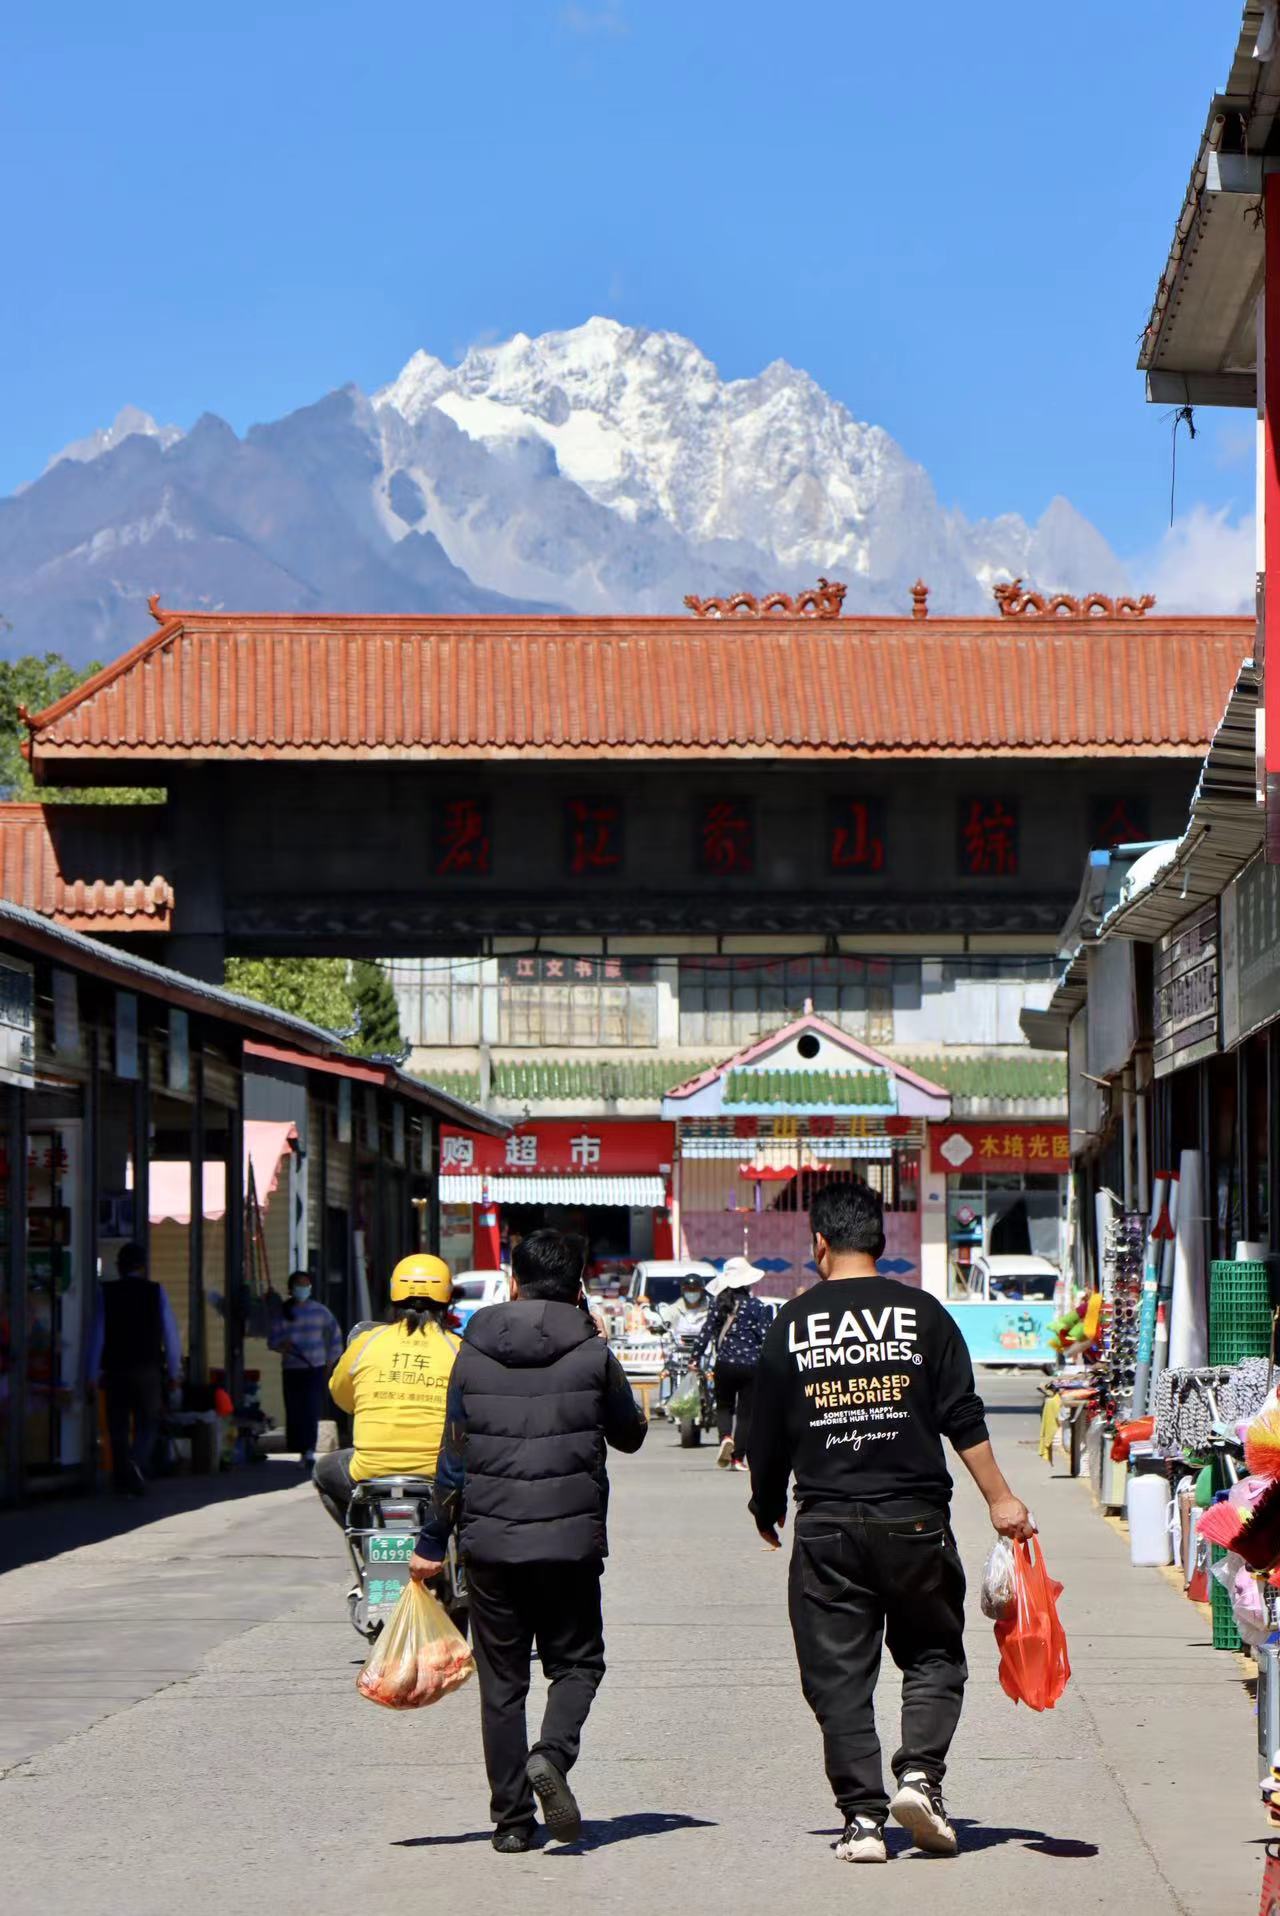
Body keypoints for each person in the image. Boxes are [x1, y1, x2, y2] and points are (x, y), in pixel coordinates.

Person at [748, 1180, 1034, 1867]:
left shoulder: (794, 1321)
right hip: (915, 1520)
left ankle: (863, 1822)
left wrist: (766, 1505)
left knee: (839, 1677)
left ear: (819, 1243)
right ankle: (920, 1779)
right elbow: (962, 1415)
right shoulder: (924, 1316)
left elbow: (765, 1431)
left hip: (827, 1525)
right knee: (933, 1652)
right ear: (882, 1241)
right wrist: (1002, 1499)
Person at [409, 1227, 647, 1854]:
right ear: (579, 1290)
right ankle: (553, 1755)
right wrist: (599, 1350)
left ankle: (512, 1821)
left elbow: (453, 1457)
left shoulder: (472, 1350)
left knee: (503, 1682)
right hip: (569, 1544)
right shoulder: (593, 1352)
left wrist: (433, 1539)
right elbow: (631, 1435)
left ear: (513, 1283)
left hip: (489, 1543)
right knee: (577, 1663)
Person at [315, 1254, 460, 1526]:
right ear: (447, 1297)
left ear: (394, 1293)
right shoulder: (458, 1349)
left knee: (323, 1471)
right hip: (438, 1475)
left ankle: (364, 1539)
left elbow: (342, 1397)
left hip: (367, 1472)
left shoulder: (366, 1343)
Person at [86, 1242, 181, 1496]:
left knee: (116, 1425)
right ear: (142, 1266)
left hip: (115, 1370)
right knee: (148, 1421)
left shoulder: (105, 1293)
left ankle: (122, 1479)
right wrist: (174, 1372)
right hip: (147, 1369)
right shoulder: (155, 1291)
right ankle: (136, 1463)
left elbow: (98, 1335)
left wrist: (91, 1374)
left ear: (119, 1267)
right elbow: (170, 1334)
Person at [696, 1256, 771, 1471]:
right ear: (747, 1282)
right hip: (751, 1366)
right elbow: (765, 1337)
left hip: (725, 1363)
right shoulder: (758, 1306)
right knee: (746, 1413)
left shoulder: (719, 1304)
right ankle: (738, 1459)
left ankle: (725, 1437)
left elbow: (706, 1332)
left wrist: (695, 1357)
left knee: (724, 1407)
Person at [267, 1271, 343, 1471]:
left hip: (314, 1368)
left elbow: (335, 1337)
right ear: (291, 1289)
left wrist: (330, 1361)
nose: (303, 1288)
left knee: (311, 1408)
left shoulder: (320, 1312)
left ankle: (308, 1450)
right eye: (300, 1285)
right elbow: (272, 1341)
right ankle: (297, 1446)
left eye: (306, 1285)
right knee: (294, 1410)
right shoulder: (283, 1313)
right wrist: (281, 1345)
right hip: (292, 1368)